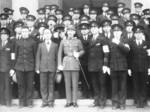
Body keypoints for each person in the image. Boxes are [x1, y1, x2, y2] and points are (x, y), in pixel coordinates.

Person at [58, 25, 85, 107]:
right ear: (67, 32)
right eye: (69, 31)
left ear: (74, 32)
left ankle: (74, 101)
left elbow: (82, 50)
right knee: (67, 84)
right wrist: (59, 64)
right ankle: (68, 101)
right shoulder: (63, 41)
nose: (70, 32)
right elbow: (59, 53)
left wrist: (78, 54)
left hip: (75, 63)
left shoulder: (78, 41)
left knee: (75, 84)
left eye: (72, 31)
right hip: (66, 64)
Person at [88, 21, 109, 108]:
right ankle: (96, 100)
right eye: (92, 28)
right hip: (92, 65)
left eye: (95, 28)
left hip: (101, 65)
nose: (93, 29)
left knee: (102, 84)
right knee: (95, 84)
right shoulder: (90, 39)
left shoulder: (103, 39)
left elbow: (106, 52)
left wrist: (105, 64)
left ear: (98, 29)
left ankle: (102, 102)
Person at [15, 26, 37, 108]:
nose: (24, 33)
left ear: (28, 32)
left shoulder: (33, 42)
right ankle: (21, 102)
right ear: (21, 33)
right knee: (21, 85)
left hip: (30, 67)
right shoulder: (18, 42)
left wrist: (35, 67)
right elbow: (15, 55)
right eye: (23, 31)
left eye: (26, 31)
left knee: (30, 85)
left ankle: (29, 102)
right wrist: (15, 68)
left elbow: (35, 55)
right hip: (19, 67)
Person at [108, 24, 130, 110]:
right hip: (113, 66)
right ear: (113, 32)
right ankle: (115, 103)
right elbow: (108, 54)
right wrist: (108, 66)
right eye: (115, 31)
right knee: (114, 86)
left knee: (123, 86)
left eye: (118, 31)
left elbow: (127, 50)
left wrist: (119, 43)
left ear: (121, 32)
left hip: (123, 66)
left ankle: (122, 104)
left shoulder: (125, 40)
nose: (116, 33)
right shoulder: (110, 41)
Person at [36, 28, 58, 108]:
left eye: (49, 33)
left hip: (52, 68)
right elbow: (38, 57)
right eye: (45, 33)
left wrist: (57, 68)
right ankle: (44, 101)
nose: (47, 35)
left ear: (51, 35)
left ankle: (50, 101)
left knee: (51, 85)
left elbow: (57, 57)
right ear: (43, 35)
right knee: (43, 85)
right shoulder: (40, 45)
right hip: (43, 68)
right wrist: (37, 68)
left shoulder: (55, 45)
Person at [129, 26, 150, 108]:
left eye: (140, 33)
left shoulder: (147, 44)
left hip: (144, 67)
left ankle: (143, 102)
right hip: (134, 68)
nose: (138, 35)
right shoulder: (131, 44)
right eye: (136, 33)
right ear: (134, 34)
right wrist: (129, 68)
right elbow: (129, 57)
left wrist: (149, 67)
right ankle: (137, 101)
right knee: (136, 85)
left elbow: (149, 56)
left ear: (142, 34)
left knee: (144, 85)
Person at [0, 28, 15, 107]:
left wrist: (12, 68)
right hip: (0, 69)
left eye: (4, 35)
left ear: (8, 36)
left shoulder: (11, 45)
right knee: (1, 86)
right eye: (1, 35)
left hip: (7, 69)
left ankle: (8, 102)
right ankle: (2, 102)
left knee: (8, 86)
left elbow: (13, 58)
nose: (3, 36)